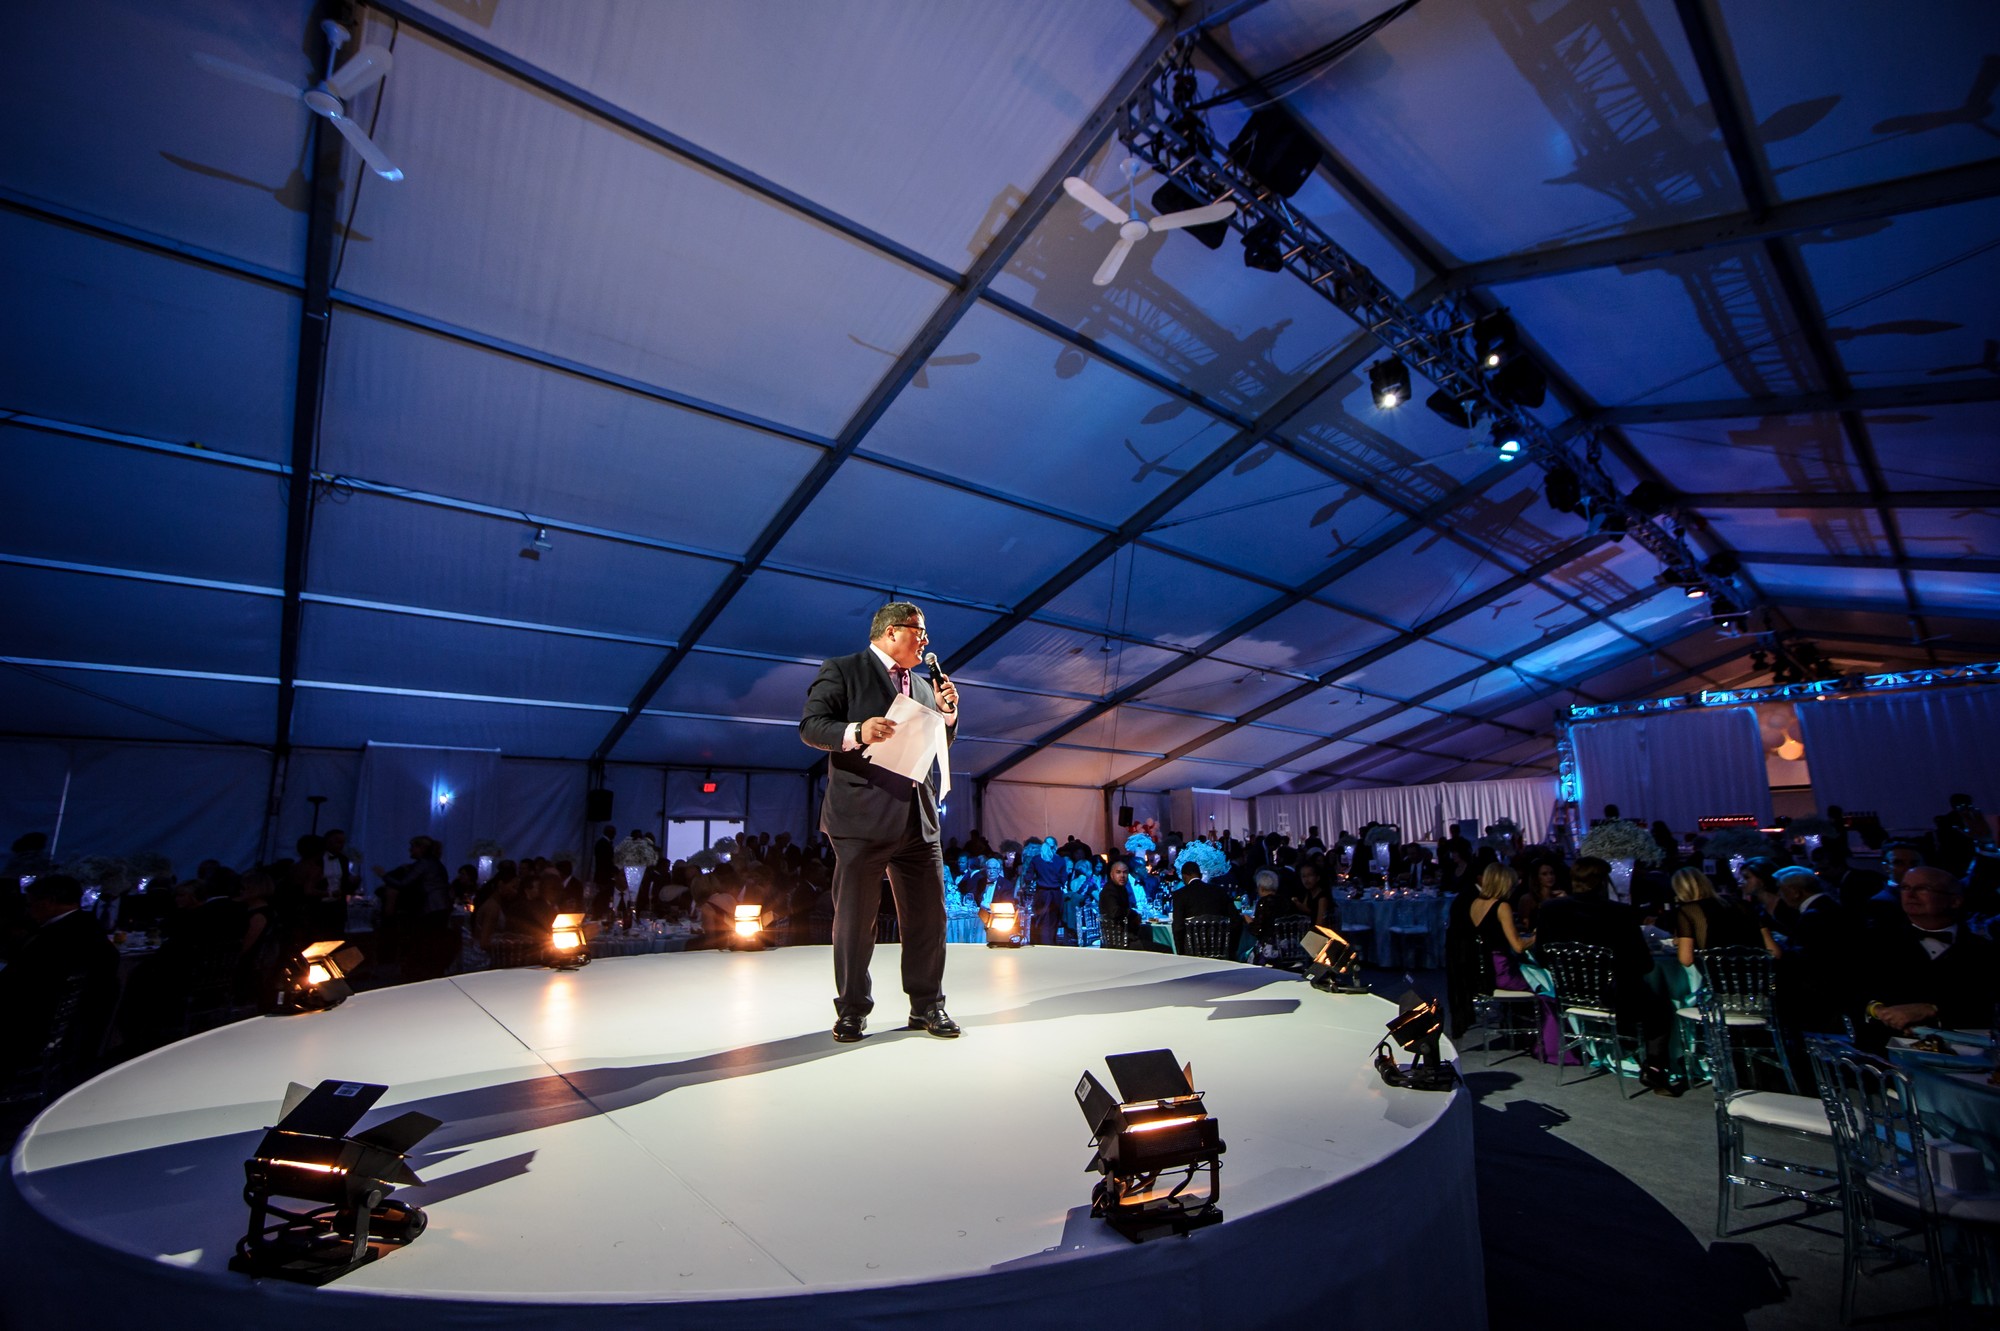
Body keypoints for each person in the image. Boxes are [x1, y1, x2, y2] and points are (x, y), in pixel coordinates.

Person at [800, 602, 959, 1043]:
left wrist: (948, 715)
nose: (925, 640)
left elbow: (937, 745)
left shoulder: (925, 685)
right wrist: (857, 731)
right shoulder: (844, 670)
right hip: (861, 818)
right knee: (856, 921)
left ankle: (927, 1005)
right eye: (918, 632)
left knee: (929, 919)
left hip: (918, 819)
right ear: (891, 632)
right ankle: (852, 1009)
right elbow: (811, 726)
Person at [1534, 856, 1680, 1092]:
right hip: (1616, 997)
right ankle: (1654, 1067)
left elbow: (1541, 956)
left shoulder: (1550, 909)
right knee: (1661, 1008)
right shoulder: (1620, 913)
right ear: (1602, 883)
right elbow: (1644, 964)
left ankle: (1623, 1050)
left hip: (1569, 994)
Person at [0, 874, 118, 1081]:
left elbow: (19, 986)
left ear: (48, 902)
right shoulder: (88, 926)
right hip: (73, 1031)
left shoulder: (53, 939)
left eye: (31, 904)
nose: (29, 910)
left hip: (33, 1030)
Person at [1860, 866, 2000, 1036]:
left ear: (1955, 901)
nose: (1910, 895)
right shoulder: (1874, 942)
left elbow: (1985, 1004)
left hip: (1965, 1047)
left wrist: (1933, 1009)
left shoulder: (1985, 951)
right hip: (1885, 1046)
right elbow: (1851, 992)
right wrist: (1878, 1010)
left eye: (1922, 889)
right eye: (1905, 888)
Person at [1669, 867, 1776, 967]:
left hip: (1719, 978)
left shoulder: (1689, 911)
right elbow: (1775, 952)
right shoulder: (1744, 905)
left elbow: (1686, 960)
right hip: (1756, 976)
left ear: (1679, 891)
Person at [1100, 858, 1168, 951]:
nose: (1122, 875)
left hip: (1126, 936)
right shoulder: (1109, 891)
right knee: (1166, 950)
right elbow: (1115, 912)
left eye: (1125, 872)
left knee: (1149, 936)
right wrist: (1133, 914)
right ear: (1112, 875)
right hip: (1118, 941)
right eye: (1118, 872)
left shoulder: (1121, 888)